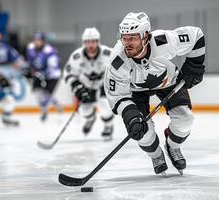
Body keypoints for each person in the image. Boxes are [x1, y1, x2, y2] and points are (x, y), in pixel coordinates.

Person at [104, 12, 205, 175]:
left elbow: (196, 35)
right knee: (141, 133)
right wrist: (131, 116)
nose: (127, 43)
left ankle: (173, 146)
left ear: (145, 37)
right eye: (125, 37)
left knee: (185, 120)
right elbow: (117, 96)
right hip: (136, 92)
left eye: (133, 38)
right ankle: (156, 155)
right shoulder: (117, 60)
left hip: (170, 82)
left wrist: (195, 65)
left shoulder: (163, 41)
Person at [64, 27, 114, 139]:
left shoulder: (108, 53)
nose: (91, 45)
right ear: (84, 43)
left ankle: (108, 126)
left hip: (103, 84)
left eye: (93, 41)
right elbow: (68, 73)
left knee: (104, 104)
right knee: (85, 111)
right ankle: (90, 119)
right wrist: (77, 87)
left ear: (98, 42)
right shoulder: (77, 56)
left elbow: (119, 68)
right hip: (86, 85)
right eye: (88, 42)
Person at [24, 32, 62, 121]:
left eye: (39, 40)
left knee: (47, 94)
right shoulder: (30, 48)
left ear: (44, 41)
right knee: (38, 93)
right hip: (39, 73)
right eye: (36, 40)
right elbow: (30, 62)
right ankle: (48, 107)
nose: (37, 42)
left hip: (52, 75)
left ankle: (48, 108)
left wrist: (43, 73)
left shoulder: (50, 51)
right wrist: (29, 70)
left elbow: (54, 66)